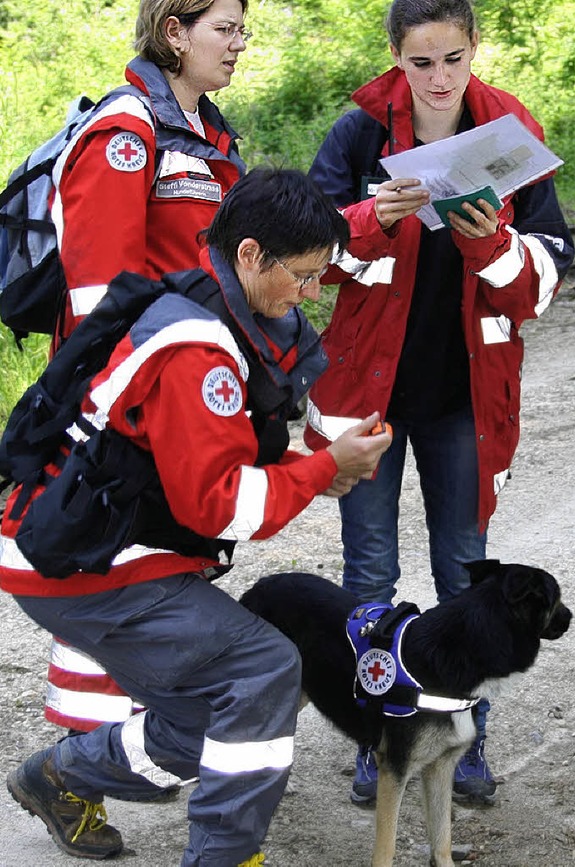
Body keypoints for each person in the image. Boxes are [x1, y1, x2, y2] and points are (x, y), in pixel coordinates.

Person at [1, 168, 393, 866]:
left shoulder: (225, 312)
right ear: (248, 254)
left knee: (208, 714)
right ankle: (224, 856)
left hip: (101, 550)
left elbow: (230, 458)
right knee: (266, 665)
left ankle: (61, 777)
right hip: (87, 563)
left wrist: (321, 462)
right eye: (303, 276)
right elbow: (221, 504)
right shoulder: (196, 347)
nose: (311, 294)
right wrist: (324, 470)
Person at [304, 0, 575, 806]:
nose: (438, 79)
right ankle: (376, 738)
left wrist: (491, 241)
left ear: (472, 49)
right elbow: (307, 253)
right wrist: (364, 221)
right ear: (395, 56)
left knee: (464, 570)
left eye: (452, 59)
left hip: (466, 397)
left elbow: (546, 278)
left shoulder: (509, 135)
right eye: (420, 63)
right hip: (371, 400)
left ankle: (462, 742)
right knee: (369, 574)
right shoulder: (359, 134)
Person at [45, 0, 251, 742]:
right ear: (174, 31)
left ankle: (128, 745)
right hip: (125, 407)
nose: (237, 44)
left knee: (165, 573)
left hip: (184, 399)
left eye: (241, 29)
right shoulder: (126, 132)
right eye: (223, 28)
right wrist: (135, 412)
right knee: (104, 571)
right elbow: (101, 298)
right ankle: (76, 771)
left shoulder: (210, 135)